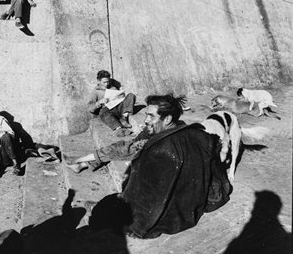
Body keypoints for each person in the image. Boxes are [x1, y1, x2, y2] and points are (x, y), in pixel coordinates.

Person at [77, 94, 232, 239]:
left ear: (167, 119)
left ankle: (104, 211)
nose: (145, 120)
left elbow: (146, 196)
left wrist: (137, 226)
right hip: (189, 205)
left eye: (151, 116)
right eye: (145, 114)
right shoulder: (198, 135)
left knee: (114, 204)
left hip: (169, 214)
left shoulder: (160, 149)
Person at [87, 70, 136, 137]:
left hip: (118, 108)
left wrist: (121, 96)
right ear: (98, 81)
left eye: (108, 82)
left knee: (131, 95)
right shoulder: (95, 92)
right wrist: (100, 102)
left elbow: (121, 99)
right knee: (104, 112)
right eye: (104, 82)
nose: (106, 84)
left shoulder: (113, 88)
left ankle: (123, 118)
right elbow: (90, 108)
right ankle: (119, 128)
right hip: (107, 111)